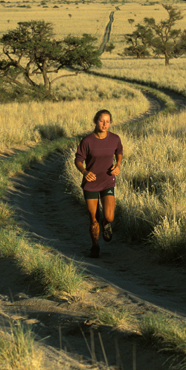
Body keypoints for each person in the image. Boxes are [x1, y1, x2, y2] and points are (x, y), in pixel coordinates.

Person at [75, 109, 123, 258]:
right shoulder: (87, 141)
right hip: (91, 184)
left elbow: (119, 151)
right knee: (93, 218)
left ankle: (106, 224)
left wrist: (118, 164)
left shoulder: (115, 138)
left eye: (107, 121)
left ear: (110, 123)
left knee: (109, 216)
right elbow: (78, 160)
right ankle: (95, 246)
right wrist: (84, 172)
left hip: (108, 181)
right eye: (102, 121)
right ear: (96, 121)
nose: (104, 124)